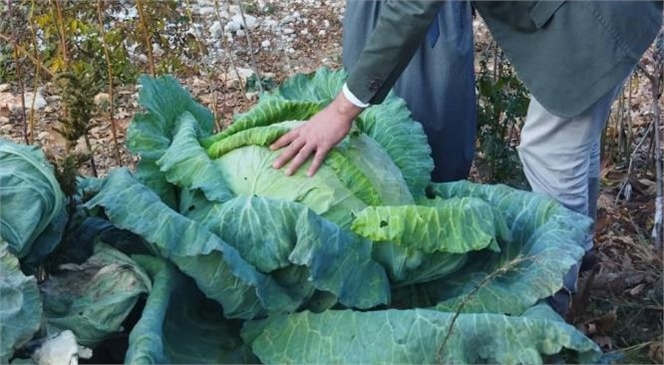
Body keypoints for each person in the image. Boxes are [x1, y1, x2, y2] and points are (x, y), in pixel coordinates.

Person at [269, 0, 663, 314]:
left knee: (550, 153)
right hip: (601, 12)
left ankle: (555, 300)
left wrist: (340, 112)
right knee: (573, 143)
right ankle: (580, 253)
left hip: (596, 17)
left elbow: (411, 7)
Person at [342, 0, 477, 182]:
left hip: (435, 13)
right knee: (367, 121)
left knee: (438, 124)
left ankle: (436, 201)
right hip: (372, 9)